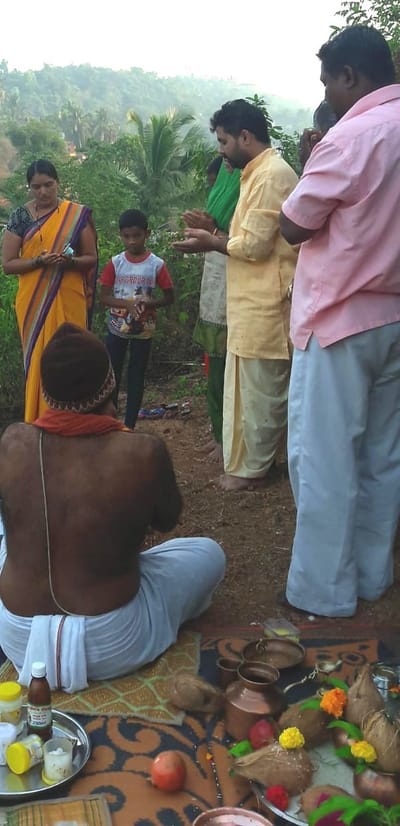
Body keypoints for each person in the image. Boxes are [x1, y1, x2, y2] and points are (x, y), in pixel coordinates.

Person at [0, 323, 225, 691]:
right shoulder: (141, 450)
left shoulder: (12, 441)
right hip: (112, 640)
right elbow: (166, 521)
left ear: (45, 392)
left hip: (19, 640)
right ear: (110, 385)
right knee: (209, 553)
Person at [279, 25, 400, 617]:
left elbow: (294, 226)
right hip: (394, 318)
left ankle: (324, 591)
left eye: (329, 80)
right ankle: (373, 575)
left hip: (340, 320)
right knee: (382, 454)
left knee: (323, 458)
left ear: (350, 75)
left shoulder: (351, 136)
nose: (326, 93)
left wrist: (309, 165)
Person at [174, 99, 298, 491]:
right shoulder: (255, 173)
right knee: (248, 391)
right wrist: (213, 237)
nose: (222, 151)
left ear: (245, 136)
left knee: (262, 395)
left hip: (266, 306)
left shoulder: (272, 174)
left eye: (225, 142)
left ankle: (254, 471)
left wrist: (211, 241)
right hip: (251, 304)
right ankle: (253, 466)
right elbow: (247, 239)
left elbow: (257, 246)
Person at [1, 159, 98, 424]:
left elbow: (90, 257)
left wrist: (70, 263)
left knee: (72, 355)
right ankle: (40, 419)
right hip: (33, 302)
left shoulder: (75, 215)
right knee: (39, 359)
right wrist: (38, 262)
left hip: (69, 296)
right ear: (29, 187)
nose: (43, 192)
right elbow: (9, 264)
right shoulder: (20, 217)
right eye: (36, 187)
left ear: (57, 182)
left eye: (48, 185)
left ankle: (77, 419)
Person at [182, 157, 240, 462]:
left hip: (234, 292)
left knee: (229, 374)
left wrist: (212, 229)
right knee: (215, 371)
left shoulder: (250, 191)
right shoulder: (224, 196)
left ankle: (230, 439)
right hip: (216, 289)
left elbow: (244, 240)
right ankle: (220, 435)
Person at [100, 209, 174, 429]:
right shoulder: (116, 263)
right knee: (112, 373)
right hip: (116, 328)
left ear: (147, 234)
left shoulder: (156, 265)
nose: (131, 241)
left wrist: (148, 303)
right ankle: (111, 422)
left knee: (136, 375)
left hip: (144, 330)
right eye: (126, 236)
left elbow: (169, 297)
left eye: (136, 236)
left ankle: (130, 424)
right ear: (120, 236)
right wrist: (127, 305)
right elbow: (104, 297)